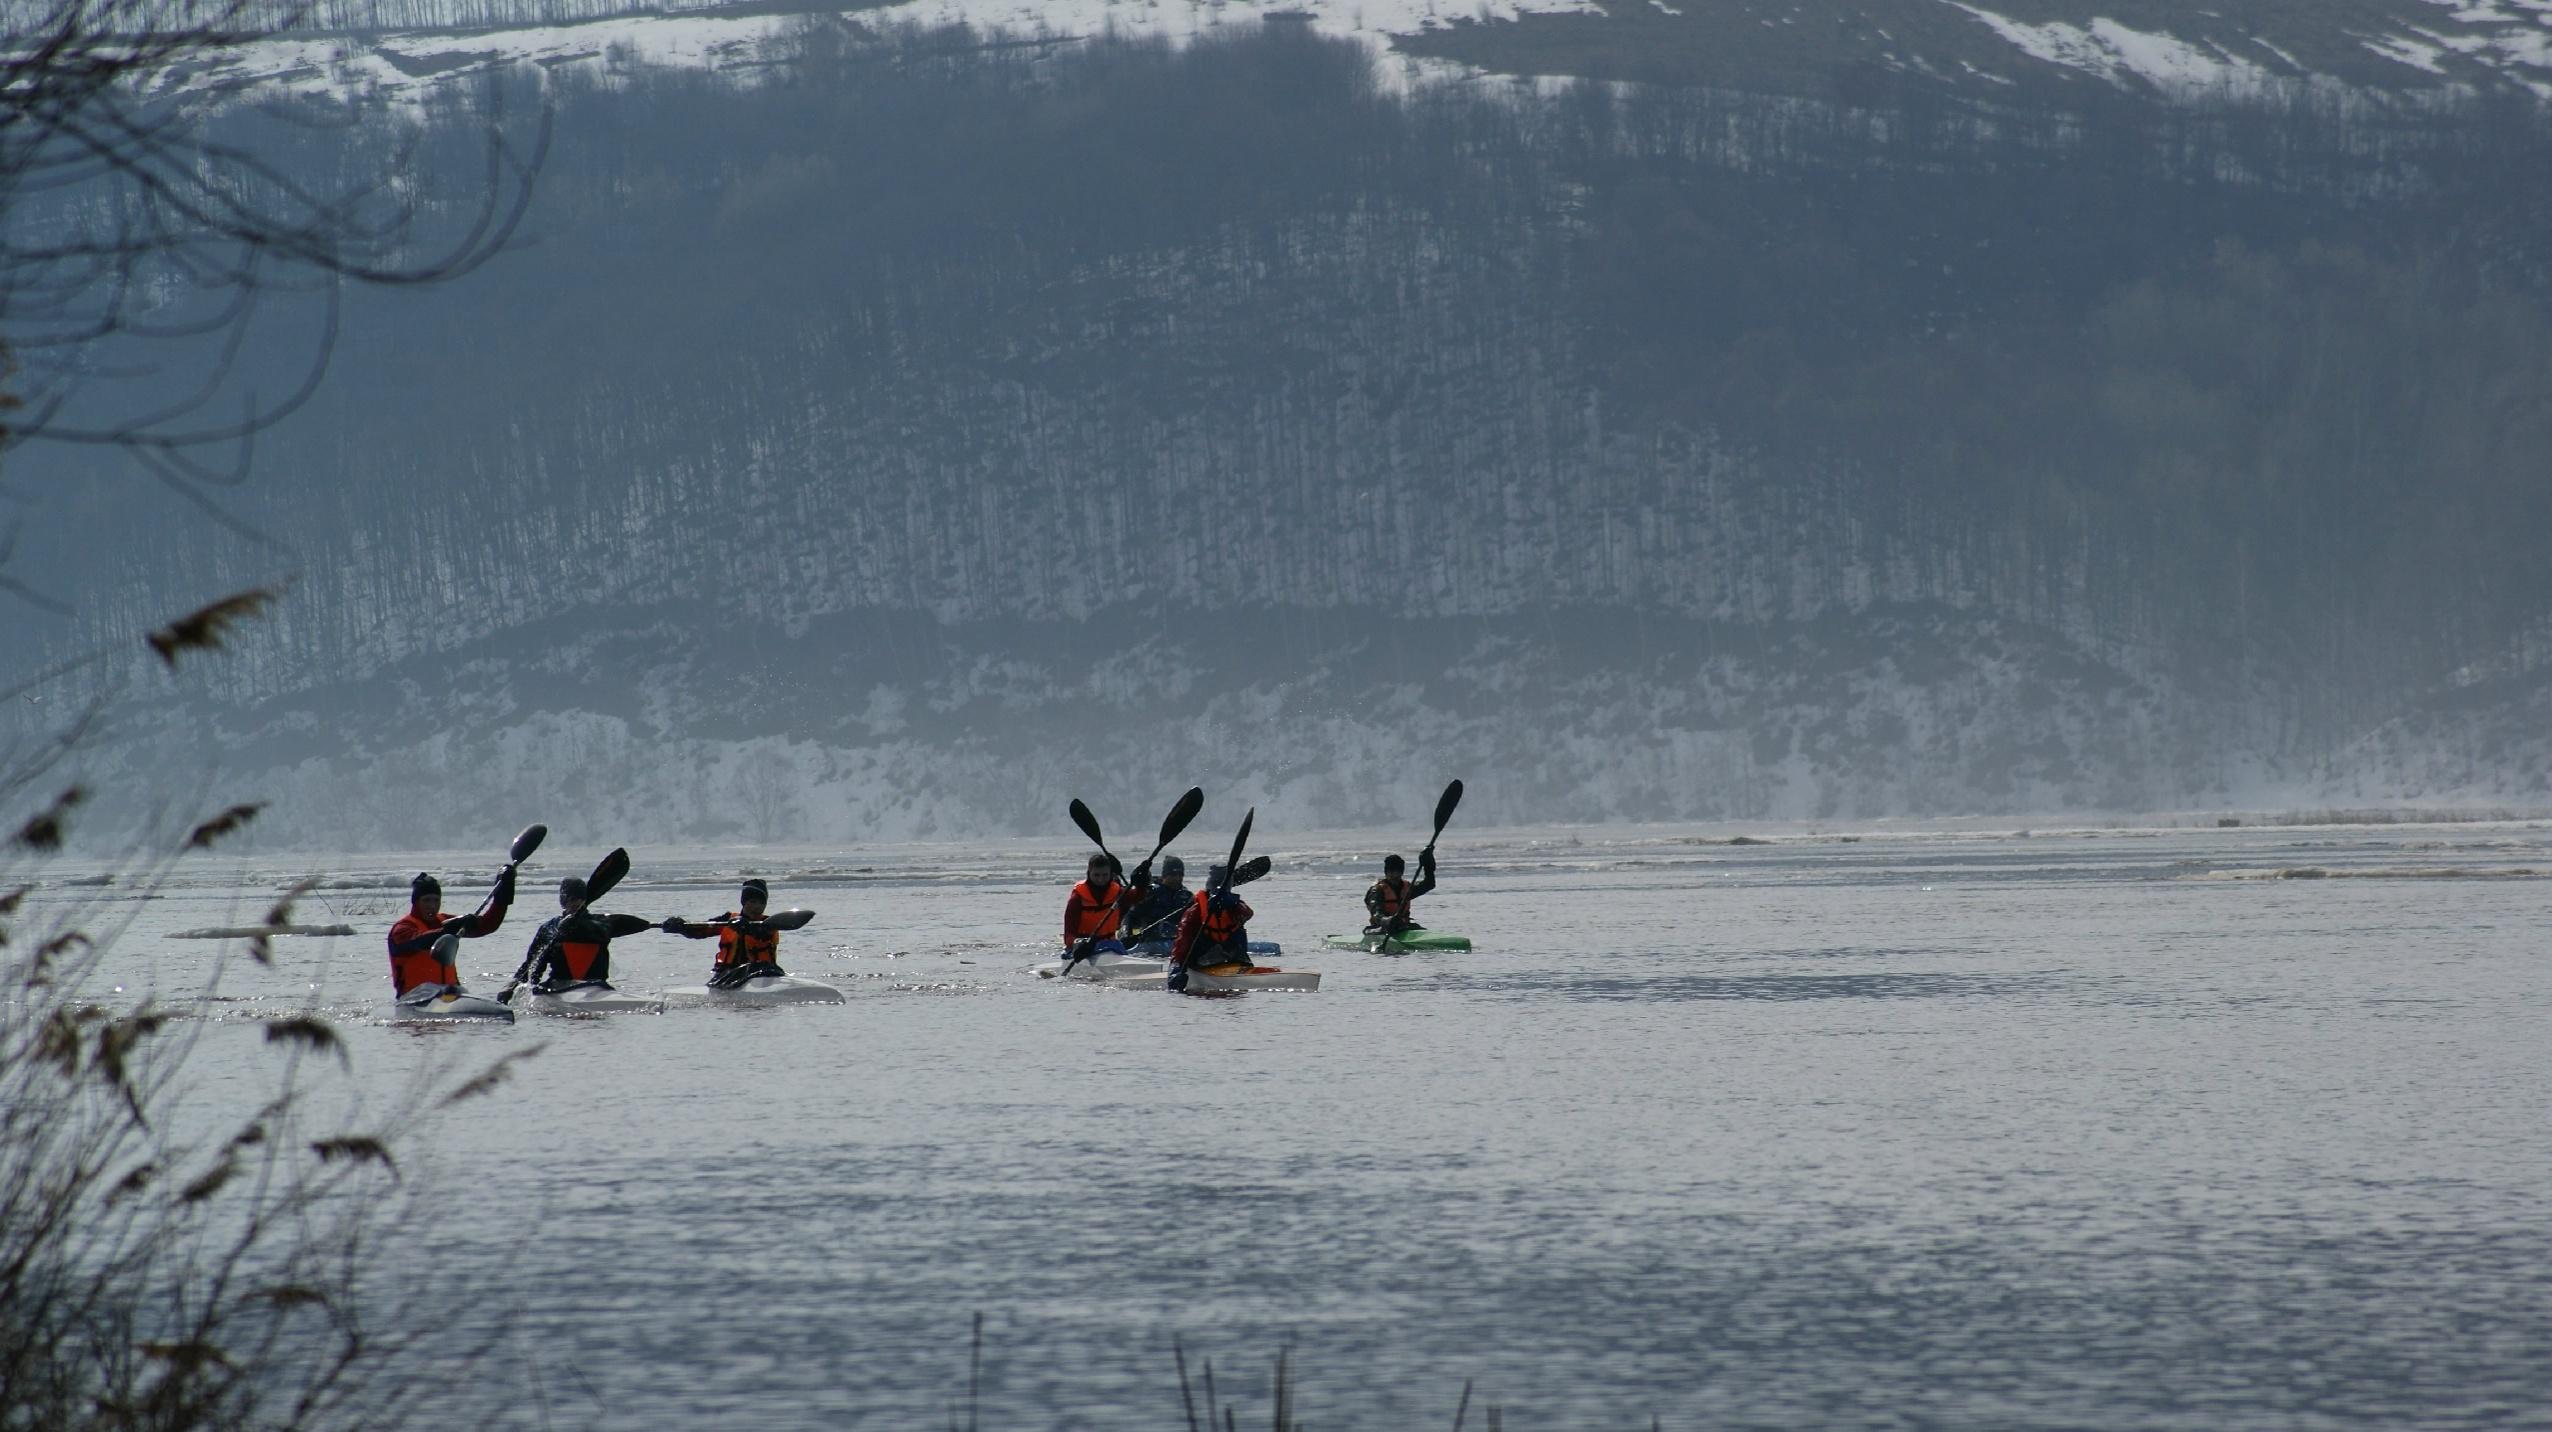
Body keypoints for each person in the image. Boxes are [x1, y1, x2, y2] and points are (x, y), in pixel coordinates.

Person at [385, 867, 514, 997]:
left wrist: (502, 896)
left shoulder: (445, 921)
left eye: (436, 900)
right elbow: (421, 941)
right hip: (414, 998)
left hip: (450, 994)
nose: (432, 905)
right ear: (415, 902)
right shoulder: (402, 929)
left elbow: (488, 925)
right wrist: (450, 929)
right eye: (426, 900)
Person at [516, 875, 655, 992]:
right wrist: (517, 987)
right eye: (571, 899)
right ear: (563, 901)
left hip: (597, 987)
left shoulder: (601, 923)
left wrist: (661, 925)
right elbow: (532, 961)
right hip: (558, 987)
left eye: (580, 899)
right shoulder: (549, 928)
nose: (576, 903)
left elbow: (629, 923)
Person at [661, 877, 792, 988]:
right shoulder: (728, 920)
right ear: (744, 902)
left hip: (763, 972)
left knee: (760, 966)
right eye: (753, 902)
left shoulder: (768, 924)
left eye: (762, 903)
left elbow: (761, 934)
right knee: (747, 969)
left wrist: (745, 927)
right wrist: (681, 926)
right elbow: (700, 930)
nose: (758, 907)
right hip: (727, 975)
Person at [1168, 865, 1253, 988]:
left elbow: (1248, 913)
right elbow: (1181, 945)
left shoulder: (1235, 907)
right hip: (1202, 965)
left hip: (1236, 962)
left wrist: (1231, 901)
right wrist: (1175, 970)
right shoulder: (1194, 913)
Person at [1061, 850, 1150, 960]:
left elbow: (1137, 897)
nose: (1100, 879)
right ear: (1089, 873)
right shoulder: (1077, 899)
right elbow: (1068, 935)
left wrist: (1142, 883)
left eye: (1105, 875)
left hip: (1110, 946)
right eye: (1096, 875)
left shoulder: (1117, 892)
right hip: (1084, 949)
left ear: (1110, 874)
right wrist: (1078, 943)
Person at [1363, 849, 1436, 937]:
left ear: (1402, 873)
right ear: (1386, 872)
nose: (1395, 876)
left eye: (1398, 872)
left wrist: (1428, 864)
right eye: (1391, 872)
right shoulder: (1377, 890)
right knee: (1392, 927)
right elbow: (1377, 915)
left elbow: (1429, 884)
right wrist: (1388, 920)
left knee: (1413, 927)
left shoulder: (1407, 888)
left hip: (1403, 927)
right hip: (1380, 928)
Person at [1121, 855, 1189, 947]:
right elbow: (1131, 917)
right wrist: (1129, 936)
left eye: (1180, 875)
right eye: (1172, 875)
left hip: (1176, 944)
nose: (1177, 878)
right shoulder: (1151, 893)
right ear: (1164, 875)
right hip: (1149, 944)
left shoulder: (1187, 897)